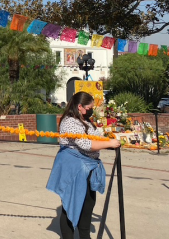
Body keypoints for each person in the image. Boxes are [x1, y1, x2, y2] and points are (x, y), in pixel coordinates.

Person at [46, 92, 120, 239]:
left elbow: (96, 137)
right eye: (89, 107)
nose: (91, 110)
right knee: (71, 205)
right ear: (79, 106)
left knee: (88, 204)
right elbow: (85, 144)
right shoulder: (69, 122)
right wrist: (108, 144)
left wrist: (111, 141)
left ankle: (85, 236)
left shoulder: (85, 120)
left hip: (87, 168)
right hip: (73, 168)